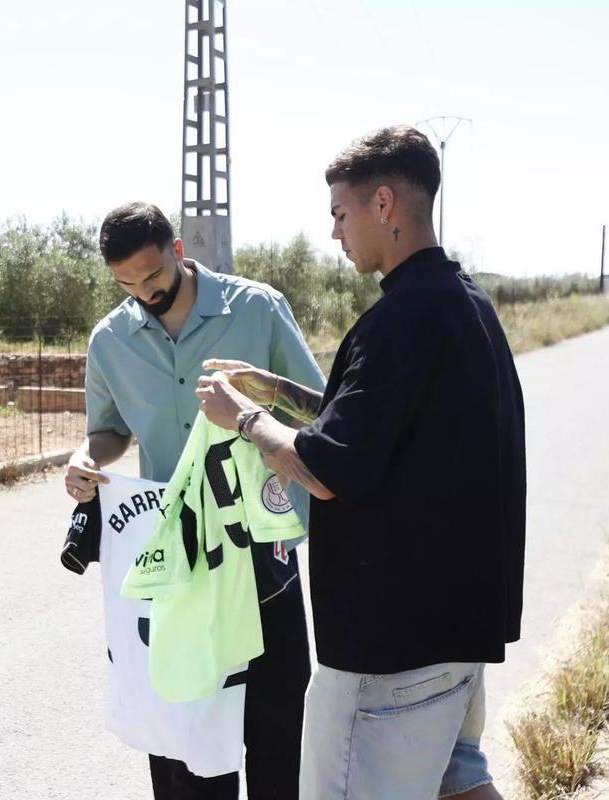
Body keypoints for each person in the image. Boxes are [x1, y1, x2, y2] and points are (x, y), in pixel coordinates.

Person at [196, 125, 525, 800]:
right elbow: (371, 427)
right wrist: (274, 390)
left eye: (340, 214)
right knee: (460, 788)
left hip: (389, 658)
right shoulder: (464, 304)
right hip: (454, 640)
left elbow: (328, 470)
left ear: (383, 204)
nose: (335, 233)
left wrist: (245, 418)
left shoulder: (400, 320)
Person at [64, 201, 326, 799]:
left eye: (153, 276)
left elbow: (318, 407)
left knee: (277, 730)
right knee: (184, 741)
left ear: (178, 251)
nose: (144, 293)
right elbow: (108, 431)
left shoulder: (258, 308)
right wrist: (86, 457)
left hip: (262, 552)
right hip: (177, 562)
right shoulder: (109, 341)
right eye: (127, 284)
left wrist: (260, 408)